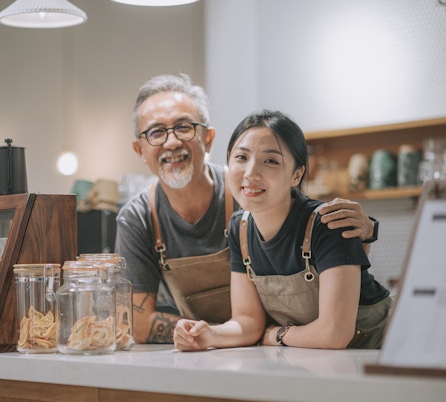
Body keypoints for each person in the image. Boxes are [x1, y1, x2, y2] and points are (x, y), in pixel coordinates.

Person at [115, 74, 379, 344]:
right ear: (139, 149)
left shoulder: (254, 194)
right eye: (156, 132)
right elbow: (138, 322)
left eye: (184, 127)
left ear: (208, 138)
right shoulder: (143, 219)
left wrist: (366, 233)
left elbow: (315, 244)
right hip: (254, 349)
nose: (171, 142)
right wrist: (211, 335)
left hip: (332, 349)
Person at [173, 109, 391, 351]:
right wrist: (209, 334)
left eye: (270, 161)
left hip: (383, 353)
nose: (251, 173)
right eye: (241, 157)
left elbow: (334, 334)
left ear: (296, 174)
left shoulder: (328, 223)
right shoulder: (240, 229)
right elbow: (248, 321)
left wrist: (277, 335)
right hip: (316, 362)